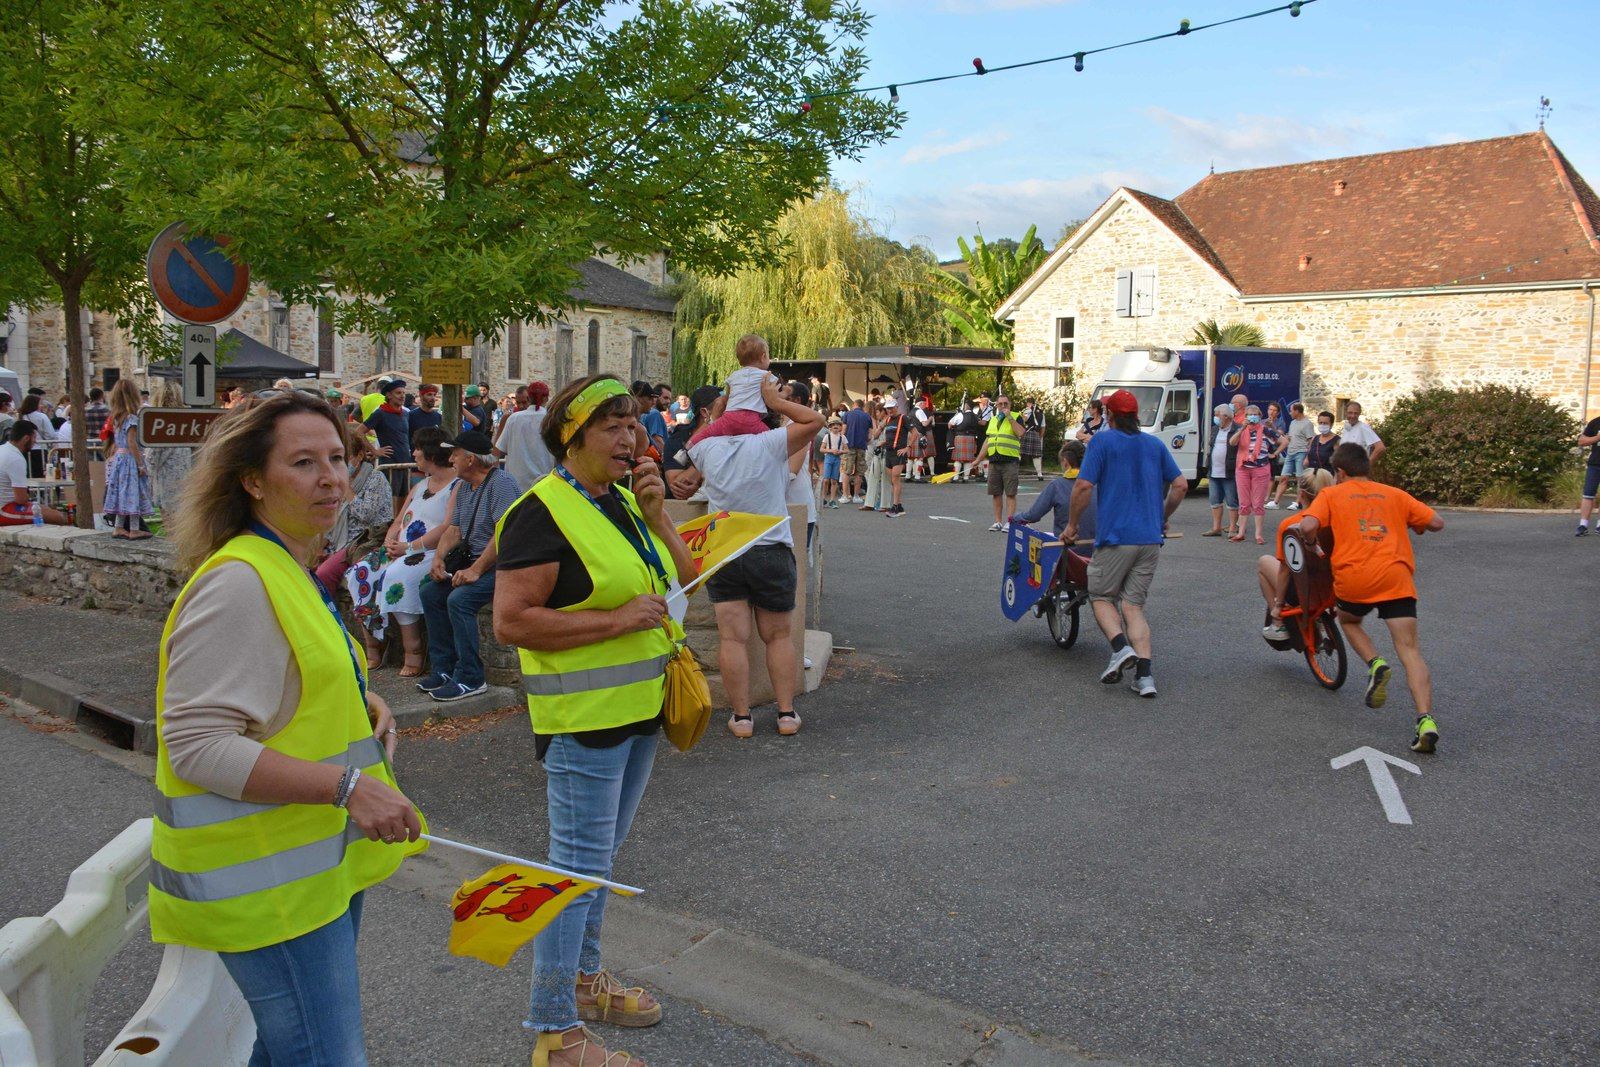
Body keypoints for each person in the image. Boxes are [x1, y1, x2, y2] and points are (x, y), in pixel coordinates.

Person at [155, 391, 423, 1065]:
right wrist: (350, 786)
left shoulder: (285, 562)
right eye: (303, 461)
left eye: (338, 457)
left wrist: (360, 705)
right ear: (252, 479)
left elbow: (289, 688)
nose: (331, 476)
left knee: (285, 1052)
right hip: (267, 884)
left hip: (304, 869)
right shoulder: (240, 580)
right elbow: (195, 744)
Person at [491, 375, 695, 1067]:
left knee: (596, 866)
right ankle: (553, 1030)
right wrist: (614, 618)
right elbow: (511, 620)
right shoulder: (538, 513)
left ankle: (582, 981)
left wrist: (659, 514)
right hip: (583, 720)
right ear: (570, 437)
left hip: (640, 712)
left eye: (633, 422)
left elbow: (685, 577)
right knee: (573, 871)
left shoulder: (621, 504)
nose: (629, 436)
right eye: (611, 424)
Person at [688, 370, 823, 737]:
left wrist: (719, 412)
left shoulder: (705, 448)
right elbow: (815, 420)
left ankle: (742, 717)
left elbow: (694, 444)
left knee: (732, 638)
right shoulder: (774, 443)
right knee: (777, 637)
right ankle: (785, 714)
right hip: (771, 548)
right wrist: (778, 401)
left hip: (726, 551)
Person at [1294, 443, 1445, 753]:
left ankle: (1375, 663)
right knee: (1410, 650)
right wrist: (1415, 525)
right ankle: (1425, 720)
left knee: (1348, 620)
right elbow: (1436, 523)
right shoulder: (1395, 494)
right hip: (1396, 577)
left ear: (1340, 472)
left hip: (1355, 577)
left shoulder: (1331, 495)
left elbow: (1307, 524)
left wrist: (1311, 542)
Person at [1066, 388, 1186, 699]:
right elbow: (1180, 485)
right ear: (1136, 416)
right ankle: (1145, 677)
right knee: (1133, 606)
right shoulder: (1154, 444)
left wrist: (1072, 525)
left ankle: (1120, 649)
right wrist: (1162, 516)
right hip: (1149, 540)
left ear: (1109, 416)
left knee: (1101, 596)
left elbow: (1082, 486)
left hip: (1116, 538)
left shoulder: (1102, 441)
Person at [416, 429, 520, 702]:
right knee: (430, 592)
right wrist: (438, 559)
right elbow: (454, 529)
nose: (451, 459)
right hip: (473, 561)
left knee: (460, 600)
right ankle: (444, 670)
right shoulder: (464, 486)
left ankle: (472, 677)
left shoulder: (502, 484)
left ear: (471, 459)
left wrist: (475, 570)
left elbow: (504, 534)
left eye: (455, 454)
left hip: (503, 565)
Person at [346, 426, 458, 678]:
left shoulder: (456, 485)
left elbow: (447, 525)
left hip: (429, 551)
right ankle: (374, 642)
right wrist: (389, 542)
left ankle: (414, 650)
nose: (414, 452)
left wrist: (410, 547)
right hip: (401, 549)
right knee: (360, 572)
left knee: (397, 577)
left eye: (418, 448)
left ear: (431, 453)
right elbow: (399, 520)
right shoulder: (420, 485)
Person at [1258, 468, 1335, 639]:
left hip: (1303, 589)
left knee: (1264, 562)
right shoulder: (1337, 520)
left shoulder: (1291, 524)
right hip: (1334, 587)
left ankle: (1278, 624)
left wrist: (1278, 605)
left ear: (1301, 494)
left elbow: (1285, 568)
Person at [315, 424, 394, 587]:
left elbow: (366, 514)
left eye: (345, 458)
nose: (341, 465)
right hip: (340, 542)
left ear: (359, 456)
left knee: (323, 574)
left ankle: (327, 610)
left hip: (364, 540)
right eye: (336, 459)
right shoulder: (336, 482)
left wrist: (347, 489)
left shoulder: (375, 478)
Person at [692, 335, 778, 444]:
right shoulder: (766, 376)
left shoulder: (734, 376)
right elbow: (773, 397)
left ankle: (685, 450)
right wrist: (785, 394)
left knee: (706, 433)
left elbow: (727, 399)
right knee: (772, 441)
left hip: (729, 418)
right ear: (763, 357)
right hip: (751, 420)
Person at [1013, 438, 1095, 541]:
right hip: (1096, 549)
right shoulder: (1098, 484)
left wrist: (1015, 518)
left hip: (1068, 549)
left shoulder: (1057, 486)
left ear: (1065, 462)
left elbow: (1033, 515)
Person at [103, 380, 154, 539]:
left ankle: (118, 527)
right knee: (132, 492)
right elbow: (132, 442)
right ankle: (134, 528)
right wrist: (140, 465)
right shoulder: (131, 418)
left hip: (119, 458)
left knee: (121, 493)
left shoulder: (117, 417)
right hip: (130, 459)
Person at [1230, 404, 1282, 545]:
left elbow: (1283, 441)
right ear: (1245, 417)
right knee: (1244, 502)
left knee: (1258, 503)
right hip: (1243, 468)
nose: (1252, 417)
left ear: (1259, 416)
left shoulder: (1265, 430)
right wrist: (1242, 429)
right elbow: (1232, 442)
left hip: (1260, 468)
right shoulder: (1241, 429)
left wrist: (1274, 454)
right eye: (1249, 414)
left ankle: (1258, 534)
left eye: (1255, 414)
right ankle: (1241, 532)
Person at [0, 421, 70, 525]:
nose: (35, 442)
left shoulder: (3, 449)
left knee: (46, 509)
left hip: (7, 504)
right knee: (57, 517)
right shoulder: (15, 458)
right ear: (26, 438)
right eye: (34, 438)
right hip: (4, 509)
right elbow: (21, 499)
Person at [493, 380, 555, 491]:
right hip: (545, 484)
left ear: (529, 398)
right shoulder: (552, 419)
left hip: (516, 485)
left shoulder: (514, 419)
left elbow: (497, 450)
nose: (521, 406)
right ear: (546, 399)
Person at [146, 380, 194, 521]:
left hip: (166, 482)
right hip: (189, 480)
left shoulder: (159, 425)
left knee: (171, 525)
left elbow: (152, 459)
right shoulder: (190, 422)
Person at [661, 385, 719, 501]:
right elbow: (678, 487)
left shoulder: (729, 439)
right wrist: (710, 429)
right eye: (722, 409)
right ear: (705, 412)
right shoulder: (677, 439)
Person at [364, 378, 413, 513]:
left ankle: (399, 526)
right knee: (391, 497)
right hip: (389, 461)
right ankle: (388, 528)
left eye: (403, 393)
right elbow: (358, 432)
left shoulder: (405, 414)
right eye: (398, 393)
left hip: (405, 460)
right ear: (389, 395)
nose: (402, 396)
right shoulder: (380, 413)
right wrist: (375, 451)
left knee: (404, 496)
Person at [979, 395, 1023, 532]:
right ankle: (997, 521)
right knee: (996, 493)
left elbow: (1021, 432)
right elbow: (988, 441)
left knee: (1010, 493)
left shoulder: (1016, 416)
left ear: (1010, 404)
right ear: (996, 406)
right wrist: (978, 459)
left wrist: (1009, 417)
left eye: (1006, 403)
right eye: (1000, 404)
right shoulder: (993, 419)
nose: (1003, 406)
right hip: (994, 460)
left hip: (1010, 460)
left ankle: (1010, 522)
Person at [1202, 403, 1239, 537]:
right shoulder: (1214, 429)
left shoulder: (1237, 429)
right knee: (1215, 501)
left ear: (1227, 417)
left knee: (1232, 501)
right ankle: (1216, 527)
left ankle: (1233, 528)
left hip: (1229, 471)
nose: (1215, 418)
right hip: (1214, 470)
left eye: (1218, 416)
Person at [1269, 402, 1315, 510]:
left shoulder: (1307, 424)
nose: (1290, 413)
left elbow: (1311, 441)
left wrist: (1307, 457)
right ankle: (1275, 502)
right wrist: (1273, 428)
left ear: (1297, 411)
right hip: (1290, 453)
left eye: (1291, 410)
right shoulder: (1293, 422)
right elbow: (1287, 437)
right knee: (1283, 477)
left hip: (1301, 453)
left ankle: (1297, 502)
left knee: (1300, 479)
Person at [859, 401, 889, 512]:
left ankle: (883, 504)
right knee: (872, 475)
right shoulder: (881, 422)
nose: (876, 414)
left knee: (885, 477)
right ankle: (870, 503)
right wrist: (881, 426)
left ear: (882, 411)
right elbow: (875, 435)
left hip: (886, 451)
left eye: (878, 411)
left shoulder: (891, 422)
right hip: (878, 451)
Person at [841, 399, 871, 503]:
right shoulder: (867, 416)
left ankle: (845, 496)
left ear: (854, 405)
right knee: (859, 472)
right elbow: (870, 436)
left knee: (846, 471)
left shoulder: (848, 414)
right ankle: (856, 496)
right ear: (862, 406)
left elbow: (844, 431)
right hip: (862, 446)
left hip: (849, 446)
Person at [17, 393, 55, 478]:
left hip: (25, 449)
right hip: (40, 449)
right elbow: (50, 434)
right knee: (40, 474)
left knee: (28, 474)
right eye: (39, 403)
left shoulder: (21, 416)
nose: (41, 406)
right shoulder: (41, 416)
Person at [632, 379, 668, 457]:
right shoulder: (637, 427)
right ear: (638, 398)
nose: (653, 402)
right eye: (650, 398)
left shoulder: (638, 421)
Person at [1578, 413, 1600, 536]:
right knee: (1588, 494)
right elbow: (1581, 441)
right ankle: (1583, 525)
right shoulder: (1595, 422)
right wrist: (1597, 437)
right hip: (1595, 464)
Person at [948, 399, 979, 482]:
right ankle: (966, 477)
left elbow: (950, 424)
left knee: (958, 459)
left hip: (960, 438)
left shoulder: (960, 415)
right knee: (968, 460)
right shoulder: (976, 416)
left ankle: (956, 477)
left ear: (966, 406)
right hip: (971, 438)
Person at [819, 416, 846, 508]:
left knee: (834, 480)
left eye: (837, 424)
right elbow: (821, 449)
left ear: (840, 427)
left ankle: (832, 500)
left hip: (837, 458)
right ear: (830, 427)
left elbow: (847, 450)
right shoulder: (827, 436)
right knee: (826, 480)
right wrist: (831, 450)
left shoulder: (842, 437)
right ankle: (823, 498)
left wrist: (840, 451)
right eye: (833, 424)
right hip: (829, 458)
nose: (835, 426)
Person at [1019, 398, 1047, 480]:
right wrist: (1040, 437)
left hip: (1026, 432)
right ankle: (1039, 474)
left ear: (1029, 403)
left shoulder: (1027, 410)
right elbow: (1043, 427)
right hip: (1036, 434)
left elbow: (1025, 419)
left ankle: (1014, 471)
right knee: (1036, 456)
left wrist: (1020, 414)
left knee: (1019, 452)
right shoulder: (1041, 413)